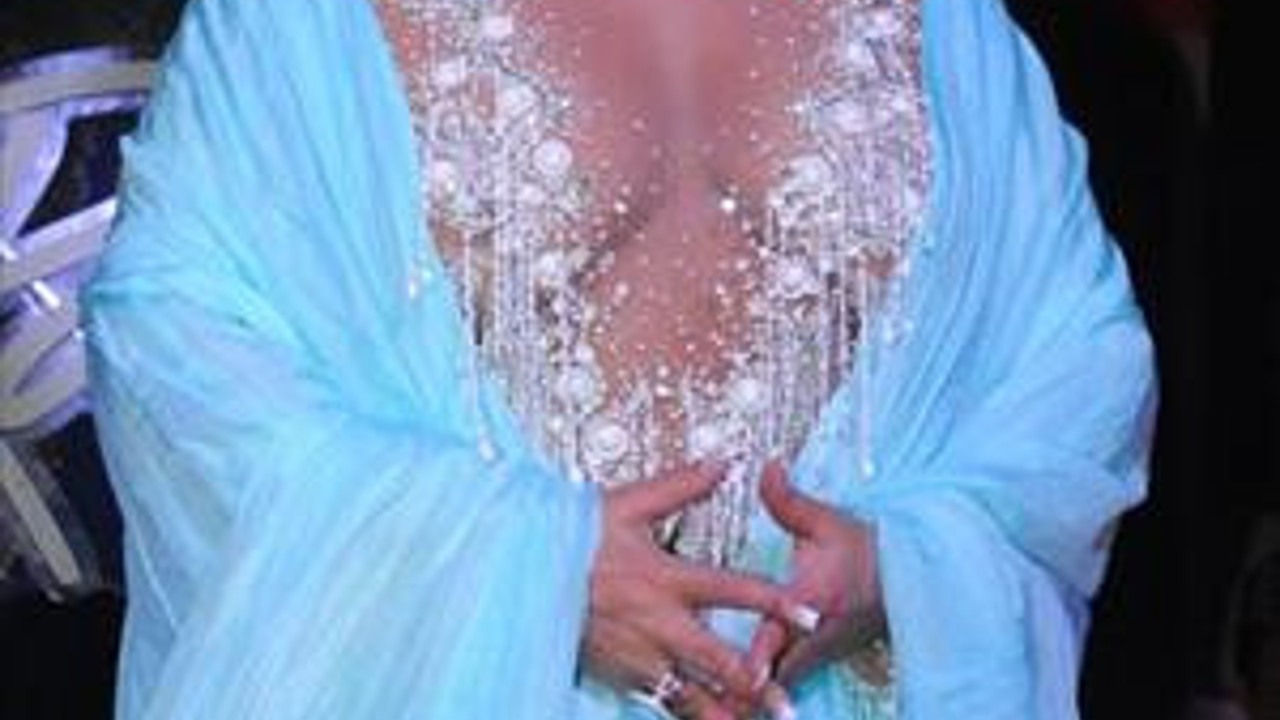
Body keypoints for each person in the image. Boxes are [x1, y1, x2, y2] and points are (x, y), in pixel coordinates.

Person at [78, 0, 1157, 718]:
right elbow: (181, 354)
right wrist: (536, 570)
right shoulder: (300, 26)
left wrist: (901, 569)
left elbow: (1078, 365)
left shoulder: (947, 28)